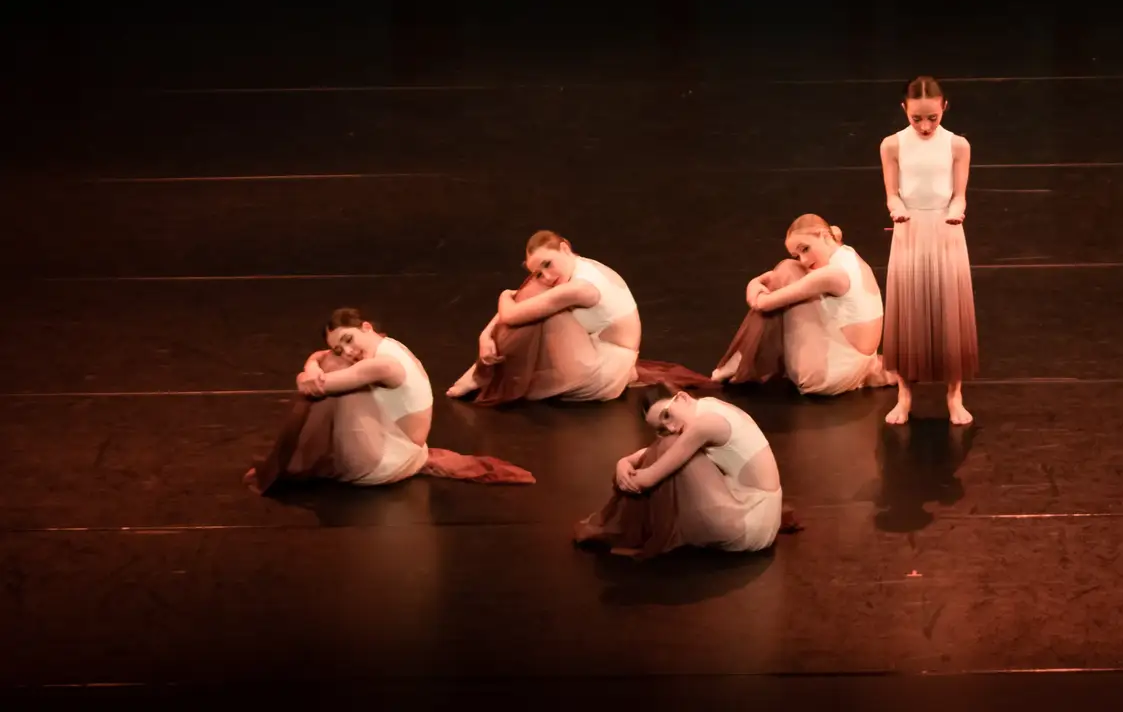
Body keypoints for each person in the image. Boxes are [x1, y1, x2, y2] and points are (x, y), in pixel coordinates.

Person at [247, 308, 533, 493]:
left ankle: (295, 459)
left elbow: (319, 387)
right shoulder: (387, 345)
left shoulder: (383, 365)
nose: (348, 350)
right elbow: (321, 358)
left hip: (386, 463)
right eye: (339, 346)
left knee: (337, 377)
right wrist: (311, 365)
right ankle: (300, 456)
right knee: (333, 366)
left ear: (367, 327)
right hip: (398, 448)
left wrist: (305, 376)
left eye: (349, 339)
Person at [573, 384, 797, 559]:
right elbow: (659, 453)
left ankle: (622, 529)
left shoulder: (706, 424)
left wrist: (628, 476)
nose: (669, 428)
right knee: (669, 446)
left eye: (667, 415)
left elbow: (650, 477)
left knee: (669, 446)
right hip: (755, 513)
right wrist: (623, 462)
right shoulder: (706, 406)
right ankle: (619, 526)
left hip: (751, 522)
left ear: (682, 397)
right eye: (660, 429)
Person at [447, 231, 651, 406]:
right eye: (539, 271)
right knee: (534, 290)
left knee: (536, 304)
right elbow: (521, 305)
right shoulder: (577, 265)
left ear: (564, 248)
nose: (546, 275)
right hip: (596, 350)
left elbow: (511, 315)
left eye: (547, 264)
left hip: (606, 371)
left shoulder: (582, 288)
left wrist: (504, 294)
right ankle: (482, 371)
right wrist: (486, 336)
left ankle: (482, 375)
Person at [879, 75, 978, 425]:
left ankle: (955, 395)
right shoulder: (891, 144)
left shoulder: (957, 145)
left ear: (944, 108)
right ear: (904, 110)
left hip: (945, 228)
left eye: (932, 118)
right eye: (916, 118)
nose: (924, 126)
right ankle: (904, 396)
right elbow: (892, 192)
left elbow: (959, 194)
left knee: (949, 309)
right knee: (909, 310)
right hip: (909, 230)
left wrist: (955, 211)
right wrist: (896, 209)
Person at [712, 214, 891, 396]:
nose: (804, 260)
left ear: (824, 235)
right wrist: (764, 283)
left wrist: (754, 283)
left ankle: (738, 362)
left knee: (787, 269)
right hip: (857, 364)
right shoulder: (848, 254)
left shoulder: (832, 274)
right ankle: (740, 361)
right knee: (790, 270)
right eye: (798, 255)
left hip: (828, 376)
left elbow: (762, 303)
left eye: (805, 249)